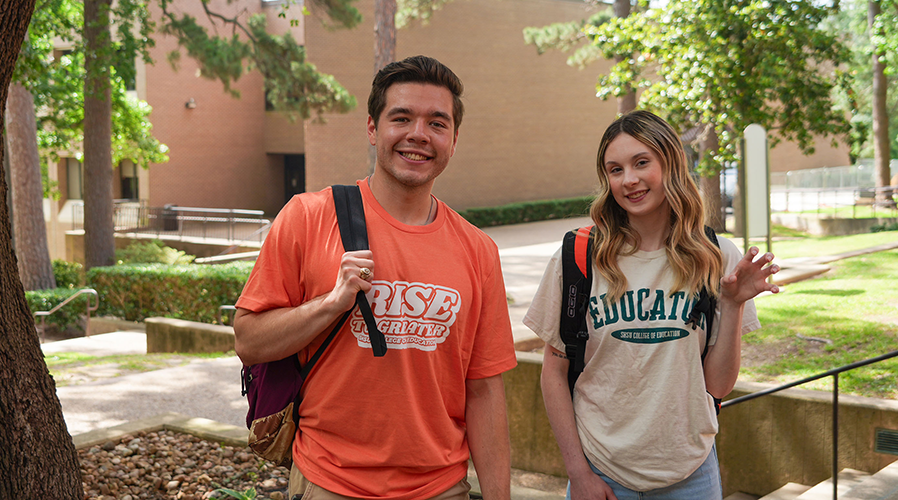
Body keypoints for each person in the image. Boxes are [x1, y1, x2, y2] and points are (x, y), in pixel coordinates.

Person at [233, 55, 516, 500]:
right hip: (329, 483)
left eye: (437, 123)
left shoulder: (478, 250)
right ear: (372, 128)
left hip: (440, 489)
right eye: (401, 118)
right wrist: (330, 303)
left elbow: (483, 391)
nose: (418, 135)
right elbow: (248, 340)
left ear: (454, 140)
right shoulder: (307, 217)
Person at [524, 110, 780, 500]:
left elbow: (718, 385)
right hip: (601, 471)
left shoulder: (715, 255)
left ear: (671, 164)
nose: (629, 180)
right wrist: (579, 473)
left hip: (691, 474)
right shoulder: (578, 258)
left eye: (641, 163)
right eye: (615, 169)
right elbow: (554, 375)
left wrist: (732, 305)